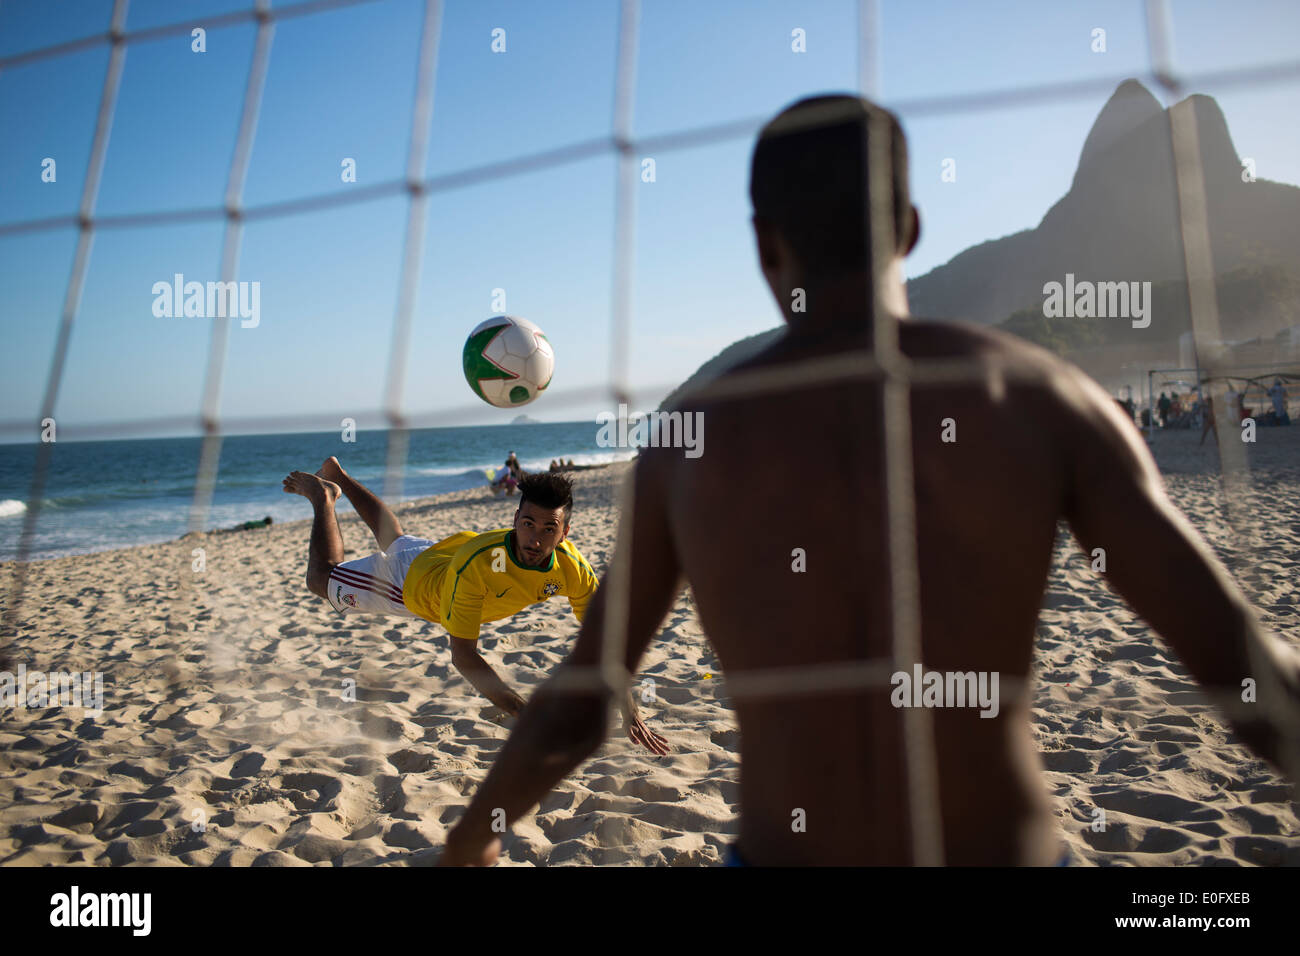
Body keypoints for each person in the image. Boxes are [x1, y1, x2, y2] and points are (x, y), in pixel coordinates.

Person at [438, 94, 1300, 867]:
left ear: (763, 244)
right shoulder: (1040, 397)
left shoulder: (691, 442)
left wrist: (470, 843)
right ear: (912, 228)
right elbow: (1239, 660)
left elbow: (581, 701)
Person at [281, 457, 668, 754]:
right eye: (528, 524)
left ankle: (340, 476)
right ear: (515, 518)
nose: (535, 538)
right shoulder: (480, 567)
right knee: (320, 579)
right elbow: (464, 657)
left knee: (395, 537)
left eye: (549, 529)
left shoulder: (575, 570)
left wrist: (631, 708)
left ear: (565, 533)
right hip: (410, 587)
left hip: (443, 555)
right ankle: (323, 496)